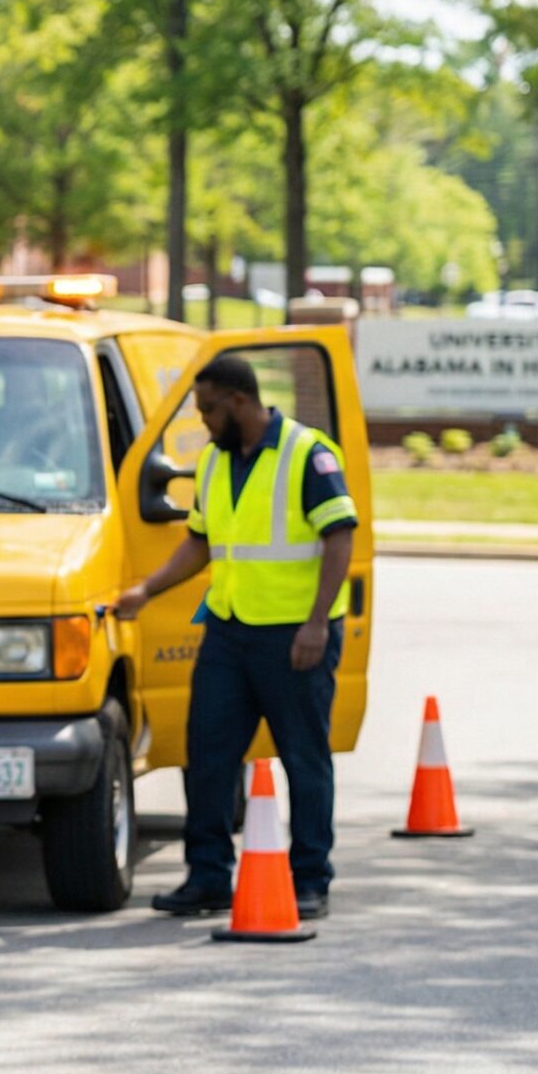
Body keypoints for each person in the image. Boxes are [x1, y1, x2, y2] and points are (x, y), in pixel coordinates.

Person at [113, 352, 358, 921]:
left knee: (304, 759)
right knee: (208, 756)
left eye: (208, 410)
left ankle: (309, 879)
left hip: (294, 636)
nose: (203, 421)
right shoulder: (214, 461)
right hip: (229, 633)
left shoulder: (306, 454)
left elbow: (339, 537)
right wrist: (146, 591)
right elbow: (199, 542)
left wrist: (316, 623)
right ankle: (208, 877)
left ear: (240, 402)